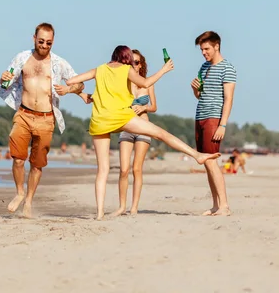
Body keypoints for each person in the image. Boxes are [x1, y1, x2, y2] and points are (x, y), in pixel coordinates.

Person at [66, 45, 221, 220]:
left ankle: (100, 213)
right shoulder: (126, 70)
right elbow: (146, 83)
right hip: (121, 117)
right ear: (126, 59)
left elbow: (71, 81)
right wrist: (164, 69)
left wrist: (73, 91)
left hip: (99, 121)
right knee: (160, 133)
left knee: (102, 170)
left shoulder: (100, 69)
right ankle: (196, 155)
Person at [0, 23, 89, 218]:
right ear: (34, 38)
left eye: (48, 43)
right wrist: (3, 78)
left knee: (37, 165)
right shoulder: (22, 58)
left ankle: (29, 200)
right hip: (23, 114)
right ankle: (19, 192)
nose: (44, 46)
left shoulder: (59, 63)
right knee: (17, 159)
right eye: (41, 41)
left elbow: (79, 83)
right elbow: (7, 81)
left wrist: (69, 89)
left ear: (53, 42)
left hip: (46, 117)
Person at [190, 31, 236, 216]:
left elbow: (229, 98)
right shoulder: (204, 67)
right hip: (200, 116)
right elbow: (200, 96)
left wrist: (222, 124)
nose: (204, 52)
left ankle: (224, 206)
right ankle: (216, 205)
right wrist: (194, 90)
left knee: (211, 161)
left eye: (206, 49)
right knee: (206, 162)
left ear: (217, 46)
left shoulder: (227, 68)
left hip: (213, 119)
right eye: (202, 49)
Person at [112, 49, 157, 216]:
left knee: (137, 169)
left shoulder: (148, 83)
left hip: (144, 127)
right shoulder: (124, 82)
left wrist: (144, 107)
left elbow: (154, 106)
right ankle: (121, 206)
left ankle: (134, 207)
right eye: (132, 62)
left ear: (142, 65)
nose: (134, 65)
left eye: (137, 62)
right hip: (127, 126)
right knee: (124, 169)